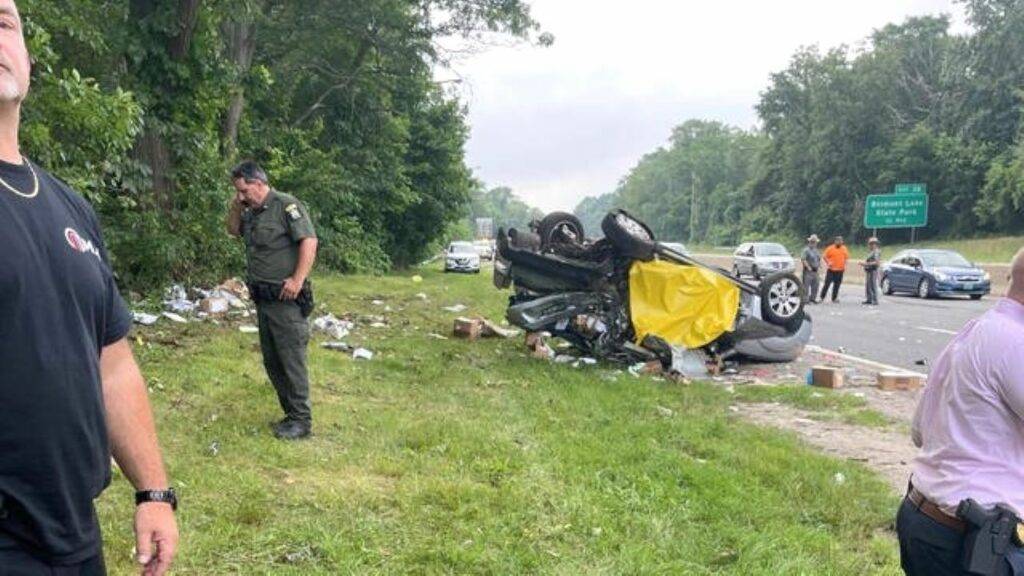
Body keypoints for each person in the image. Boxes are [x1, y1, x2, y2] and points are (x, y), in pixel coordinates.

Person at [0, 2, 178, 574]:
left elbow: (111, 360)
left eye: (4, 23)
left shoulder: (68, 206)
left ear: (28, 59)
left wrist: (153, 491)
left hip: (72, 532)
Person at [897, 247, 1024, 575]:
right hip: (973, 542)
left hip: (927, 519)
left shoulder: (973, 331)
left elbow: (919, 431)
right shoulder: (1016, 343)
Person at [227, 161, 319, 440]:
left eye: (244, 190)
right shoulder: (252, 213)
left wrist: (297, 279)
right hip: (264, 300)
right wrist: (235, 206)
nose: (242, 196)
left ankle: (302, 421)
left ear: (258, 183)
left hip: (286, 299)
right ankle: (291, 415)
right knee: (273, 360)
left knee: (291, 359)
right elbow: (233, 231)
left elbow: (309, 240)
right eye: (238, 192)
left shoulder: (285, 205)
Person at [820, 235, 849, 303]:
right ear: (835, 241)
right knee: (827, 284)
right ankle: (822, 297)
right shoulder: (830, 248)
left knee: (837, 285)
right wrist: (828, 262)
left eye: (841, 241)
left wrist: (845, 265)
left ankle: (834, 298)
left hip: (840, 270)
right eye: (838, 241)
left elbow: (846, 258)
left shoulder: (844, 248)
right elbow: (824, 256)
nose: (840, 242)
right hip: (831, 270)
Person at [800, 234, 822, 304]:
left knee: (816, 285)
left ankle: (813, 298)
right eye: (813, 242)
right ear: (810, 242)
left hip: (815, 270)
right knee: (806, 286)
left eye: (815, 242)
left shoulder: (816, 250)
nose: (814, 243)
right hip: (808, 271)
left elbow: (818, 258)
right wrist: (808, 267)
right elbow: (803, 259)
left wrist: (819, 265)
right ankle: (805, 300)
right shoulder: (806, 250)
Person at [860, 237, 881, 305]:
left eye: (872, 244)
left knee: (873, 285)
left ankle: (875, 300)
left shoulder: (876, 252)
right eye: (870, 244)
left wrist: (866, 264)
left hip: (873, 270)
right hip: (869, 270)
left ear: (876, 244)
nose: (871, 245)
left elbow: (877, 262)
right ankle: (869, 299)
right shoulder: (871, 252)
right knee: (868, 285)